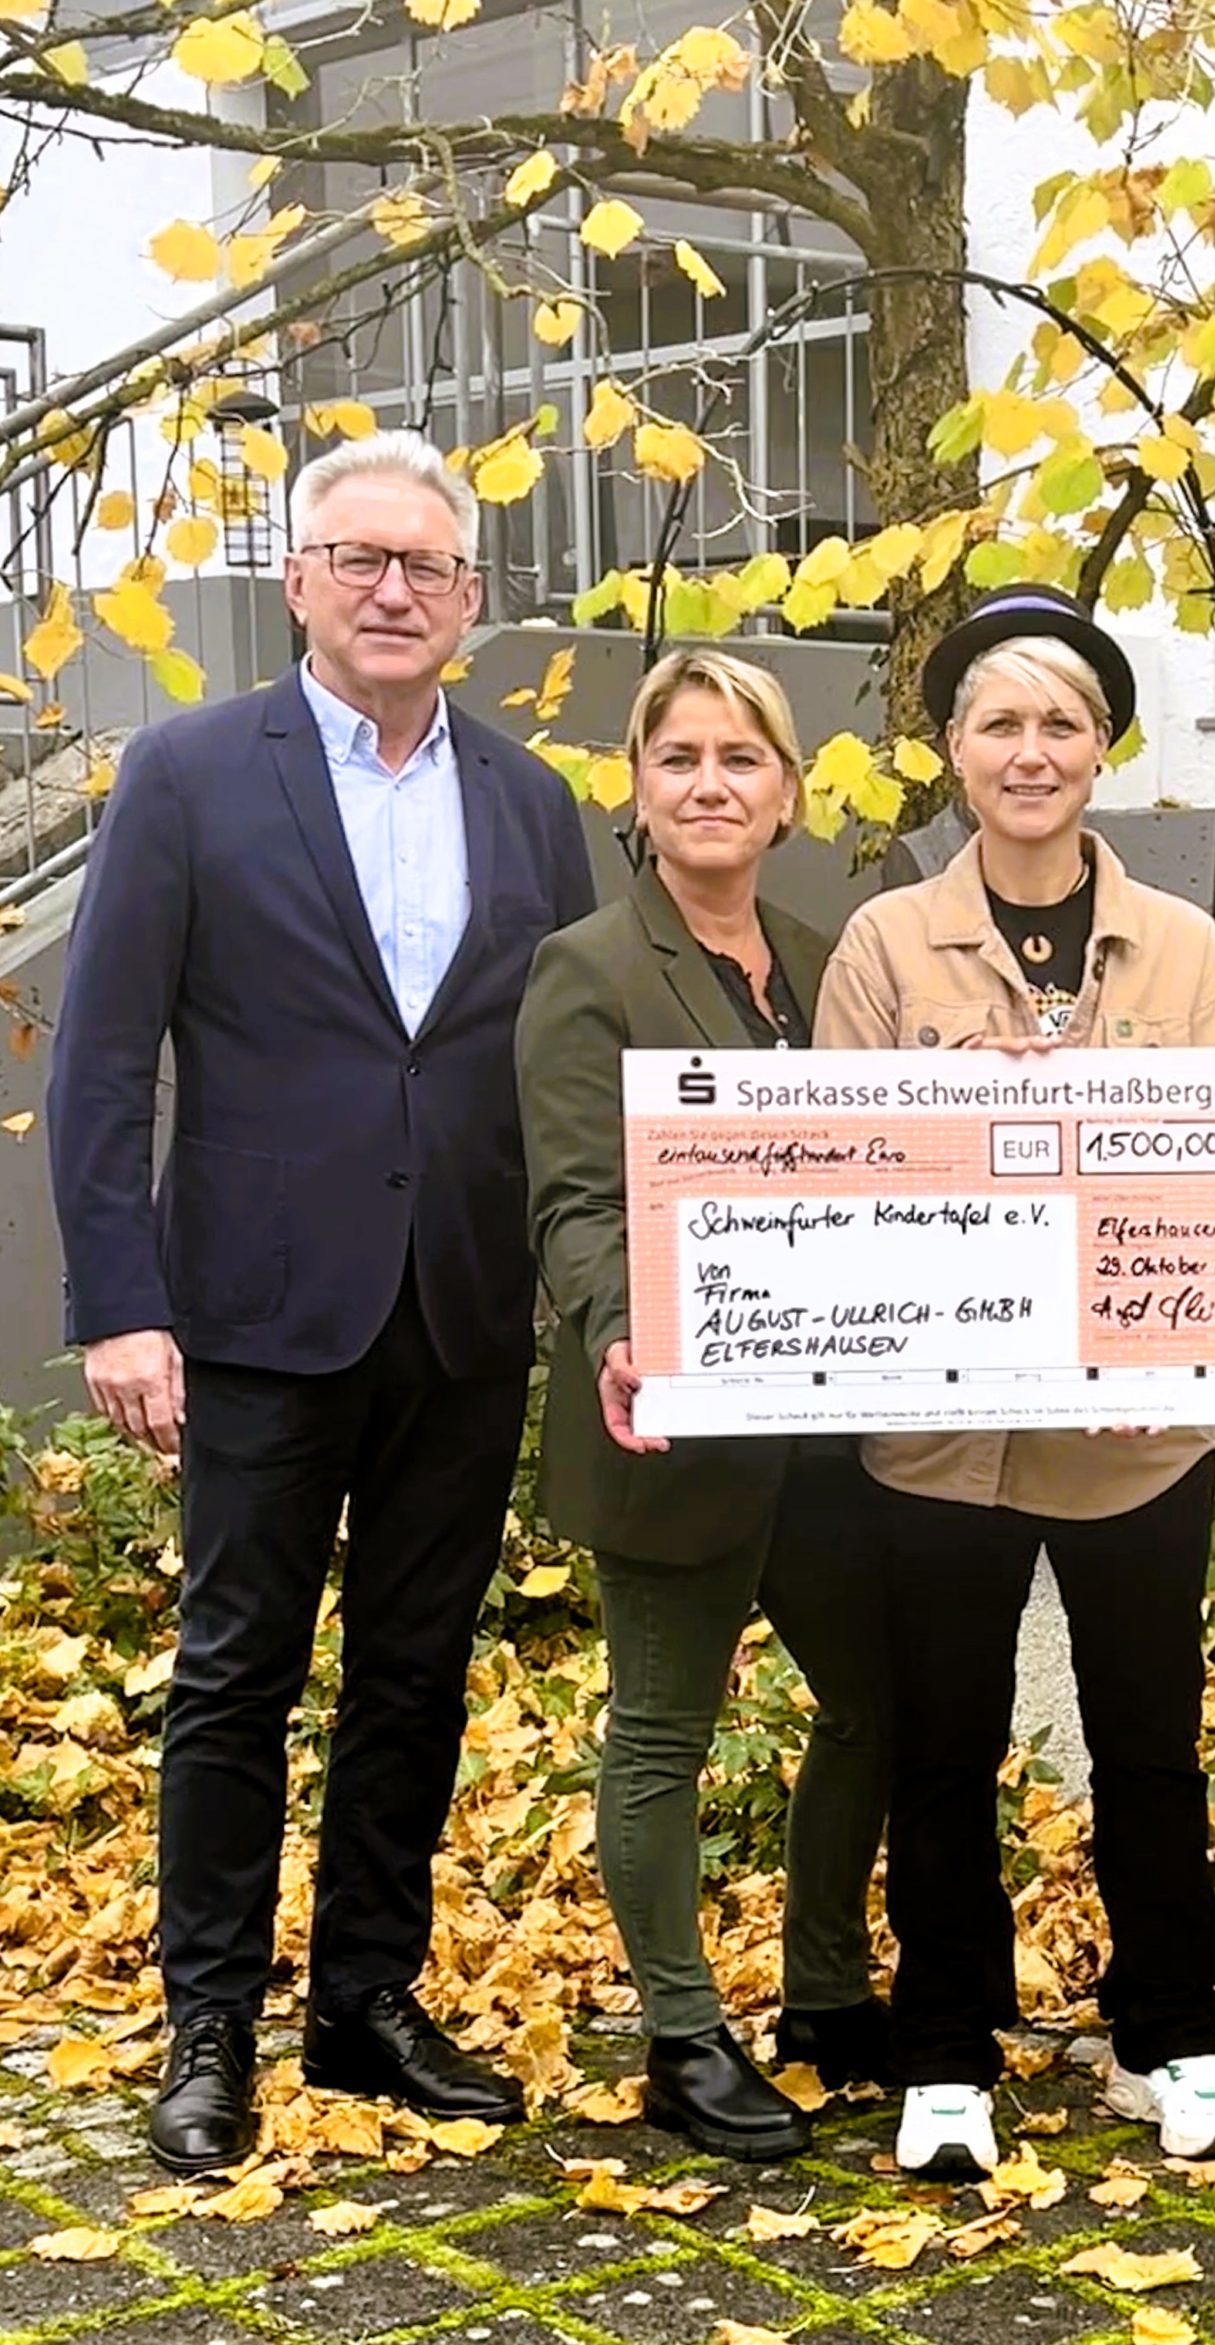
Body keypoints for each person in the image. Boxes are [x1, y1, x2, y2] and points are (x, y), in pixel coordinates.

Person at [45, 432, 597, 2173]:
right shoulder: (195, 774)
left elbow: (559, 1069)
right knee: (234, 1673)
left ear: (471, 601)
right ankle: (206, 2024)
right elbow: (102, 1058)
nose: (390, 590)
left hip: (459, 1309)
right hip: (258, 1314)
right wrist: (119, 1303)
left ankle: (365, 1998)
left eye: (424, 567)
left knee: (415, 1671)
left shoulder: (529, 799)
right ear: (296, 579)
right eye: (357, 559)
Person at [814, 583, 1215, 2182]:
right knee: (943, 1739)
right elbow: (844, 1185)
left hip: (1136, 1428)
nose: (1030, 748)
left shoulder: (1182, 944)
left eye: (1060, 720)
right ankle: (946, 2055)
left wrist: (1173, 1341)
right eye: (998, 720)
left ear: (1101, 748)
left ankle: (1172, 2037)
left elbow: (1209, 1173)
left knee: (1150, 1738)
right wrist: (957, 1105)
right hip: (943, 1430)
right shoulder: (882, 942)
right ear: (949, 750)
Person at [516, 649, 891, 2162]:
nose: (711, 783)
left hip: (832, 1418)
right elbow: (572, 1199)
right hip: (665, 1410)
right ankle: (682, 2033)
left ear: (788, 791)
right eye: (679, 757)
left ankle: (820, 1991)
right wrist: (621, 1329)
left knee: (880, 1698)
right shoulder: (588, 968)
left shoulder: (832, 957)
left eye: (742, 757)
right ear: (638, 787)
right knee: (663, 1730)